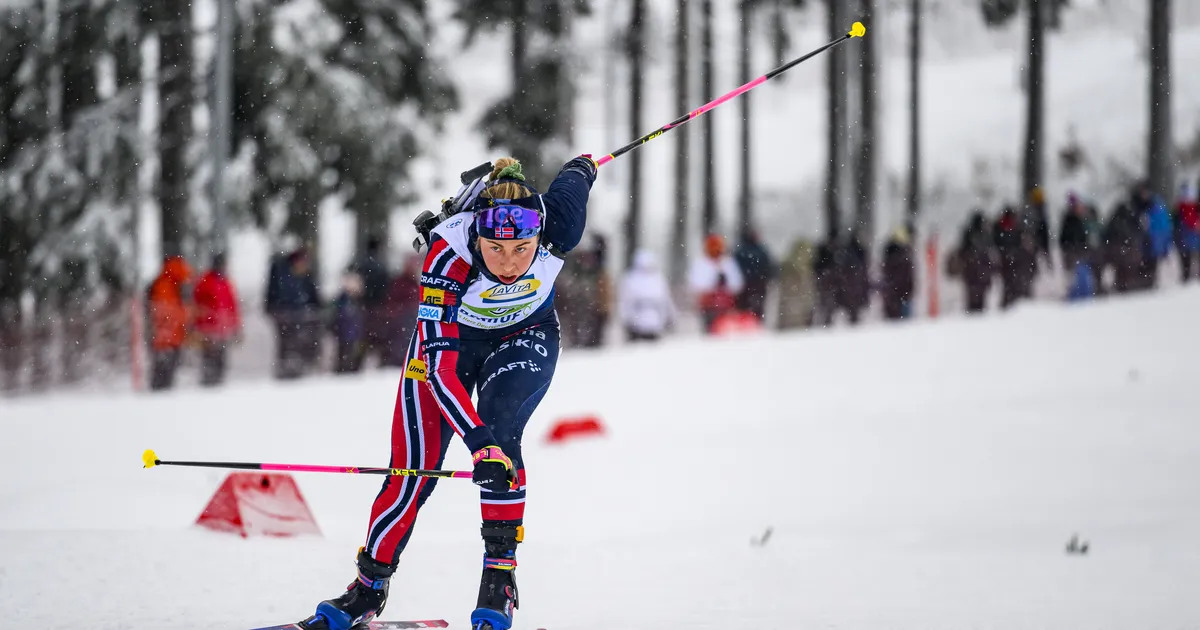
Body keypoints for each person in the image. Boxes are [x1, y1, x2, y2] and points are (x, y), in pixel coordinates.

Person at [302, 155, 596, 630]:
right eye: (495, 250)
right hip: (449, 347)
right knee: (412, 471)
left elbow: (576, 176)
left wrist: (582, 166)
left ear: (539, 233)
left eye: (522, 249)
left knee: (502, 433)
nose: (509, 263)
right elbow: (439, 370)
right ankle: (368, 587)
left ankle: (498, 582)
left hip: (524, 335)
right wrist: (473, 444)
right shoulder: (448, 252)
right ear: (475, 233)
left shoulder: (560, 221)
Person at [192, 253, 242, 386]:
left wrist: (236, 325)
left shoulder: (225, 282)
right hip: (209, 329)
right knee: (210, 358)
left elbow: (232, 305)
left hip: (223, 329)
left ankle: (218, 383)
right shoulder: (205, 282)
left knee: (221, 358)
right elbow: (198, 305)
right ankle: (209, 383)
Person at [618, 249, 675, 342]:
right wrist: (625, 318)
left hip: (655, 324)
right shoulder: (630, 279)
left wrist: (670, 317)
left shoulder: (659, 279)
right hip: (636, 324)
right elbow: (625, 301)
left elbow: (666, 300)